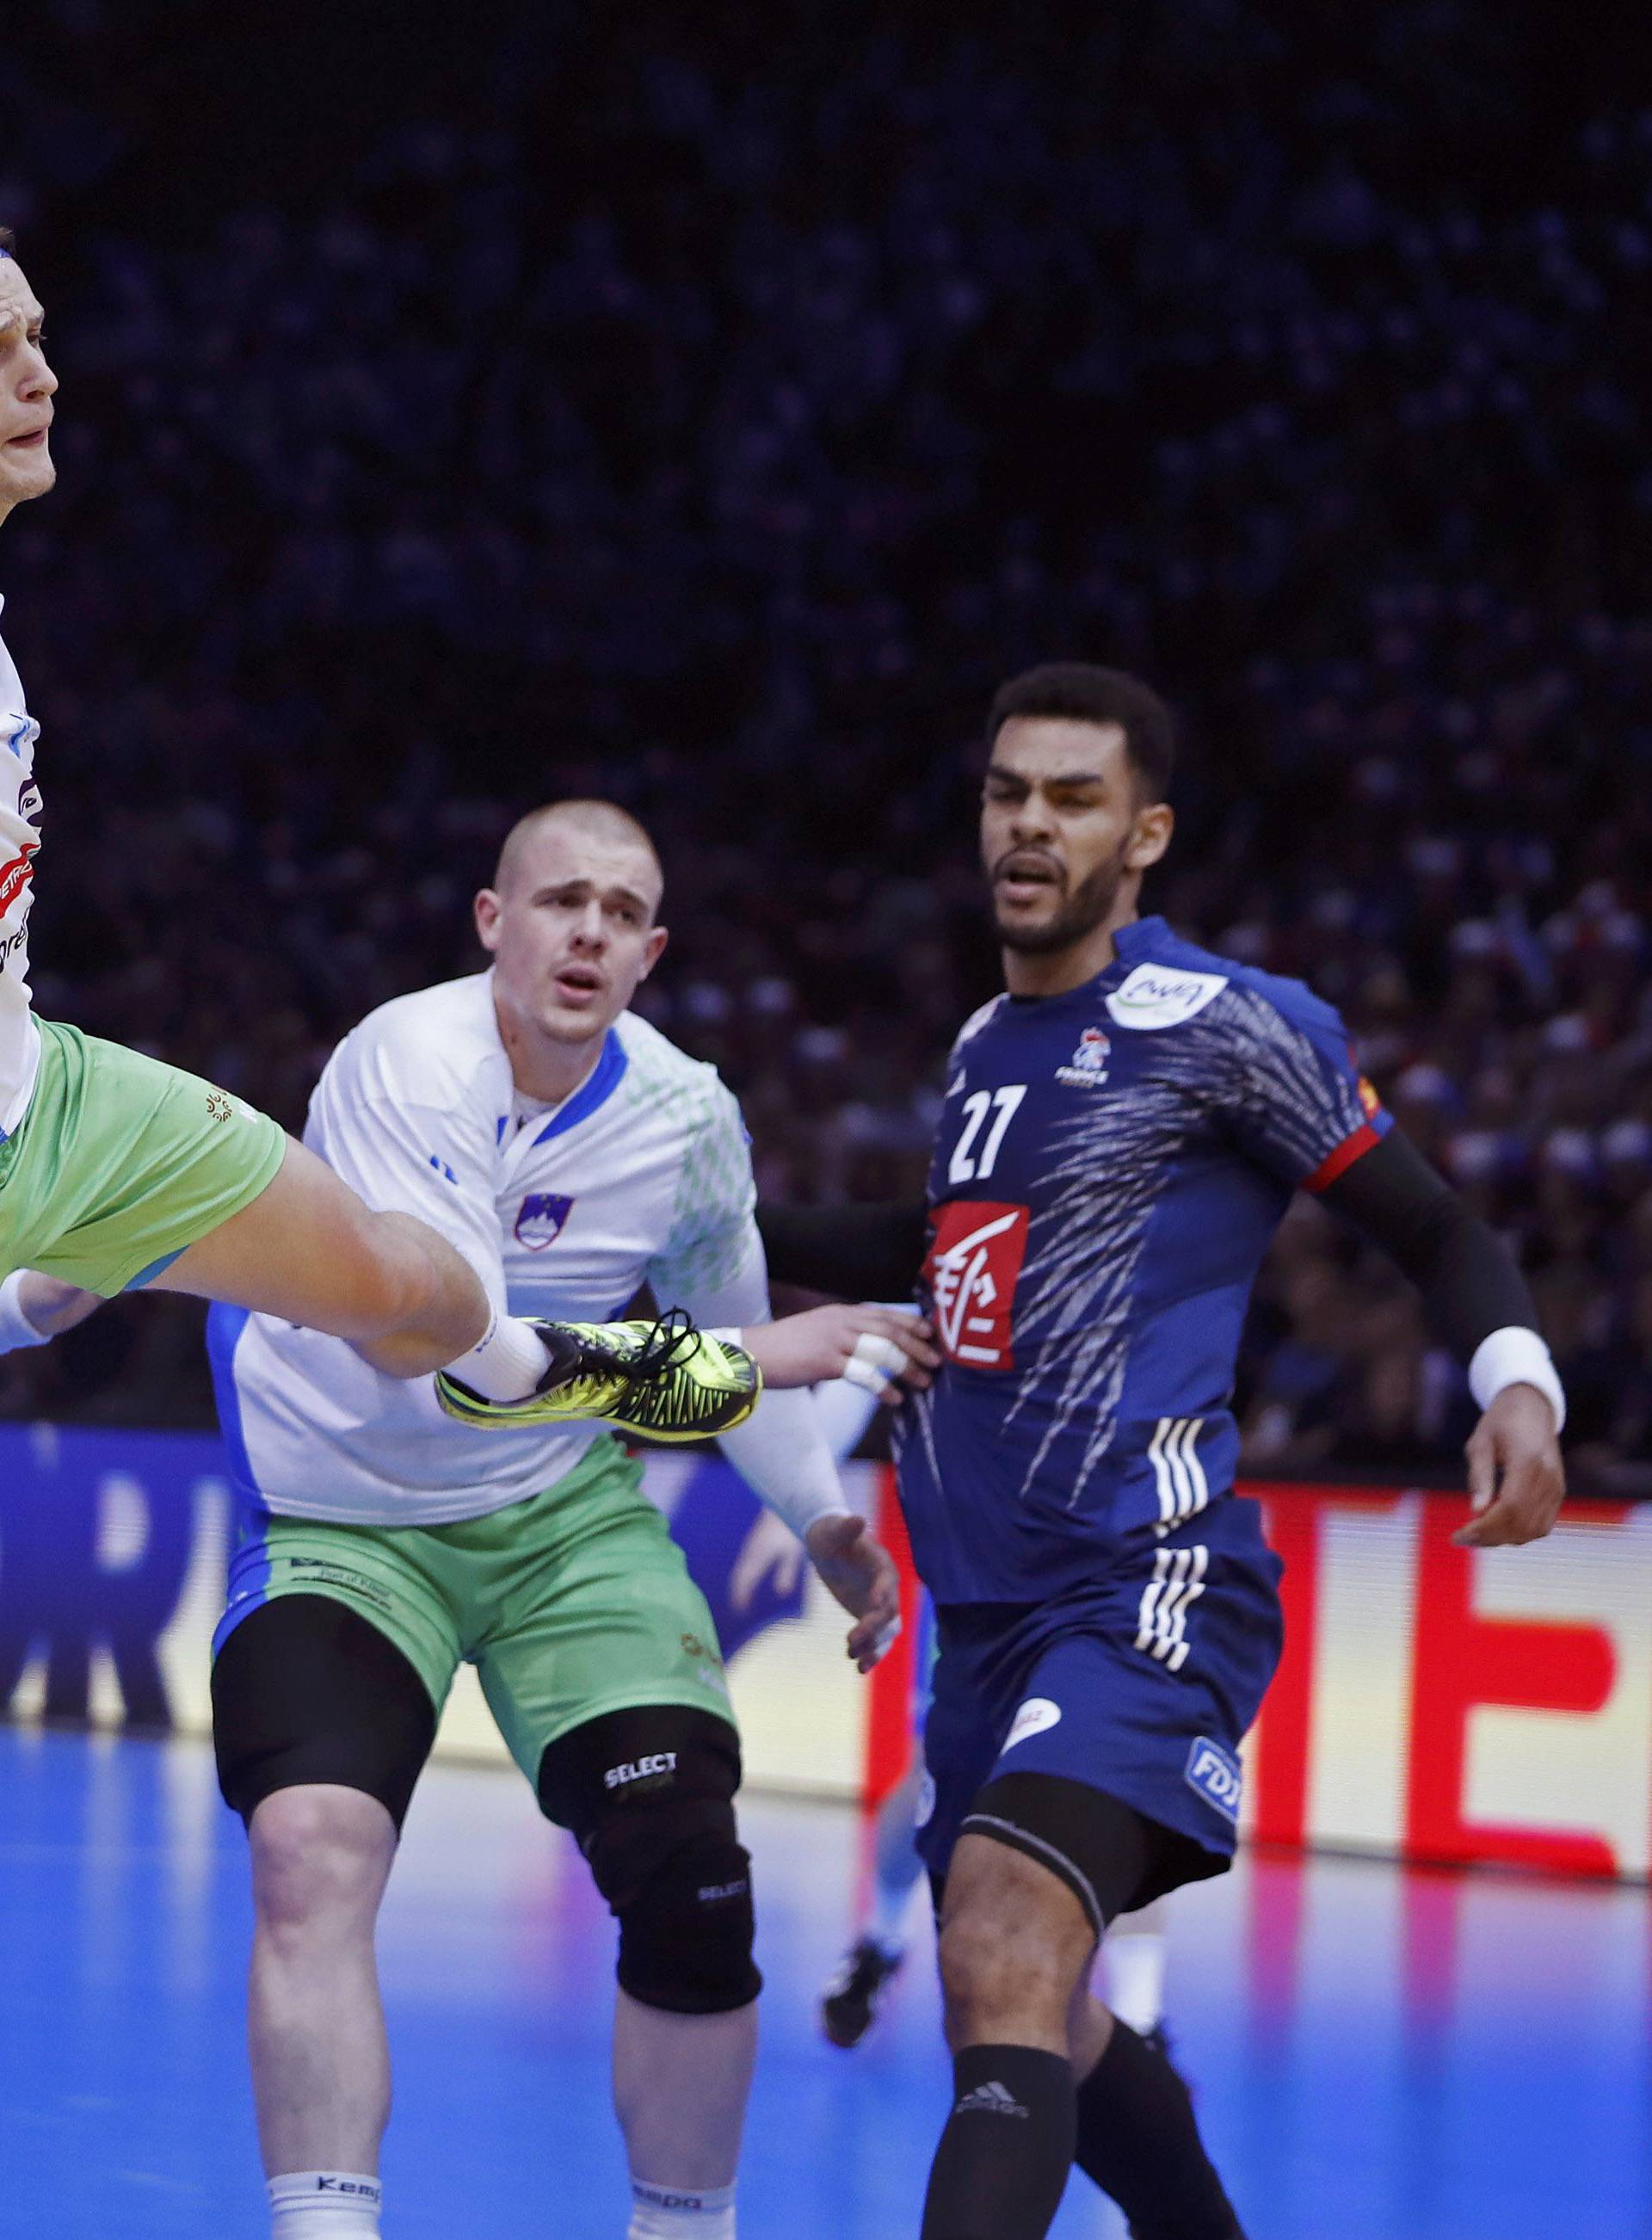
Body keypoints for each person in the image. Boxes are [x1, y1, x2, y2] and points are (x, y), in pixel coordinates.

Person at [5, 796, 935, 2240]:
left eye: (624, 915)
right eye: (562, 901)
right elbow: (461, 1377)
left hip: (562, 1524)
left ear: (652, 955)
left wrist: (821, 1516)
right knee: (311, 1848)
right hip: (336, 1514)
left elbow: (729, 1337)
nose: (590, 931)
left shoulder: (688, 1123)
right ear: (493, 923)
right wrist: (749, 1368)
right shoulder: (408, 1066)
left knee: (694, 1888)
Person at [760, 661, 1568, 2240]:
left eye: (1072, 798)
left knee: (1002, 1926)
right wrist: (709, 1225)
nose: (1030, 825)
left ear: (1146, 836)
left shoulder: (1223, 1025)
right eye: (1007, 793)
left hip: (1146, 1579)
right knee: (1038, 2015)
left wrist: (1518, 1380)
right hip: (988, 1618)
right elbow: (935, 1246)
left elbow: (1431, 1220)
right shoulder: (989, 1041)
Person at [0, 228, 771, 1442]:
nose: (41, 379)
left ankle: (527, 1363)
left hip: (44, 1090)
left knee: (408, 1287)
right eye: (0, 354)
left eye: (36, 339)